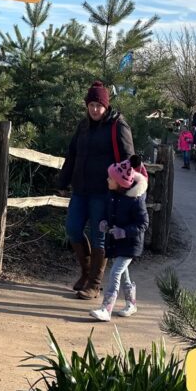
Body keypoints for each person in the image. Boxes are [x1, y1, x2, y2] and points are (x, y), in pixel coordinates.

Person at [58, 81, 135, 301]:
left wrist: (122, 189)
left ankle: (94, 283)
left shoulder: (117, 126)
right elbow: (73, 154)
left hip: (104, 192)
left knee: (99, 236)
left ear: (106, 106)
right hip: (81, 189)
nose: (94, 109)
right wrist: (63, 181)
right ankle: (85, 272)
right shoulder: (83, 126)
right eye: (91, 104)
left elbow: (129, 160)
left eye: (98, 105)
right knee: (72, 229)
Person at [90, 156, 149, 322]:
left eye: (110, 177)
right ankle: (131, 303)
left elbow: (143, 224)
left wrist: (124, 232)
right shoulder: (112, 195)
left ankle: (106, 308)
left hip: (130, 243)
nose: (107, 179)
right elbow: (109, 213)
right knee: (124, 273)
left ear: (119, 182)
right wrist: (104, 221)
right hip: (117, 242)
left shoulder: (136, 200)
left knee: (115, 272)